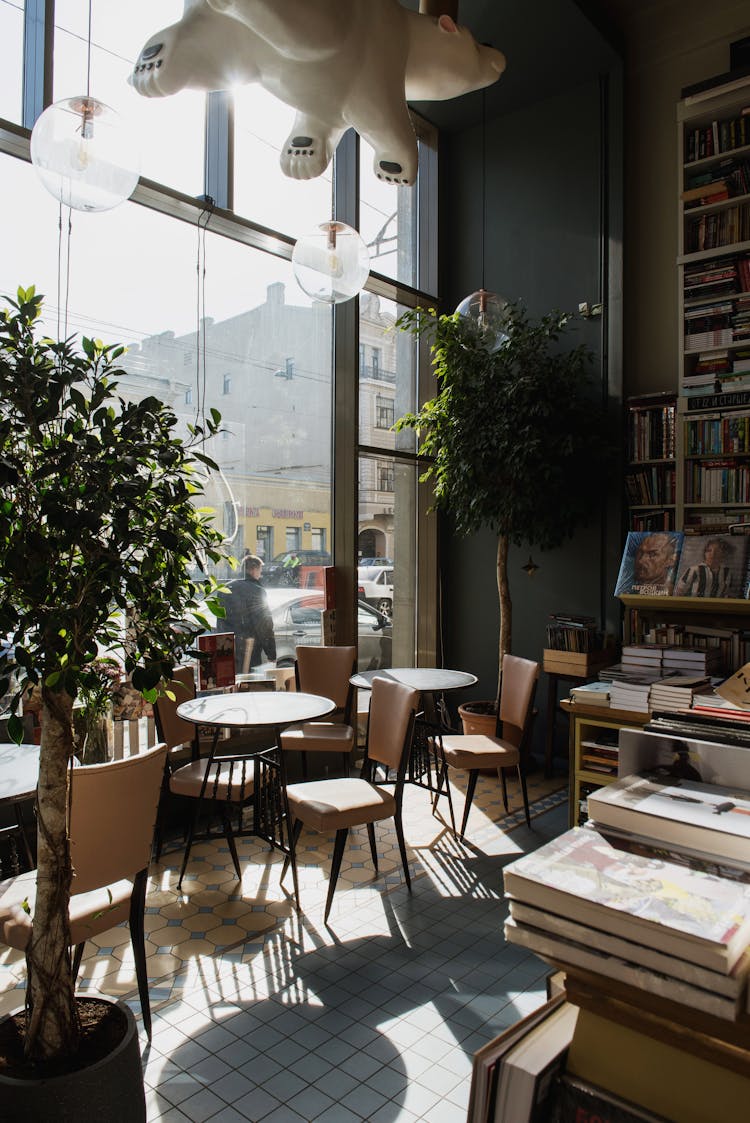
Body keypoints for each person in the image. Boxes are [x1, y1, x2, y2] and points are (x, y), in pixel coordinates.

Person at [220, 553, 277, 671]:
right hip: (249, 648)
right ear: (253, 570)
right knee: (247, 684)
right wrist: (271, 653)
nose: (260, 574)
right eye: (260, 570)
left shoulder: (225, 589)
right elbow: (264, 624)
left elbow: (220, 620)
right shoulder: (257, 591)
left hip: (226, 645)